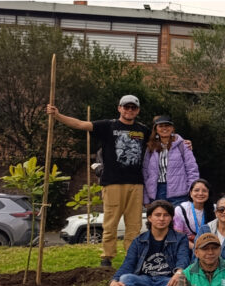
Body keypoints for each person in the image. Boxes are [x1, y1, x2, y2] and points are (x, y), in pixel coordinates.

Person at [46, 95, 149, 267]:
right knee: (111, 222)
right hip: (112, 182)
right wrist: (57, 115)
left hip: (136, 184)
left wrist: (185, 143)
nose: (129, 110)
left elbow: (162, 139)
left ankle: (132, 259)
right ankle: (107, 257)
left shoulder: (143, 130)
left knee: (135, 225)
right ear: (119, 108)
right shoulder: (108, 126)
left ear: (137, 110)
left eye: (133, 107)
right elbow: (80, 124)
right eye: (126, 107)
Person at [109, 200, 189, 286]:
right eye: (157, 215)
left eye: (166, 215)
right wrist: (114, 281)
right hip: (144, 282)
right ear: (150, 218)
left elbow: (183, 259)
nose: (161, 219)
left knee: (179, 282)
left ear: (171, 218)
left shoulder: (180, 238)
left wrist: (179, 273)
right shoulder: (139, 241)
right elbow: (128, 265)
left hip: (166, 284)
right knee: (125, 279)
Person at [142, 115, 199, 206]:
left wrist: (192, 191)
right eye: (161, 126)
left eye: (167, 125)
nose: (164, 128)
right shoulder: (151, 147)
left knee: (179, 216)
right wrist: (146, 198)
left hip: (179, 194)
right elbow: (145, 173)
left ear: (172, 128)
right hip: (156, 193)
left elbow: (192, 170)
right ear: (156, 129)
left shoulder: (183, 145)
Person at [172, 178, 212, 252]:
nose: (200, 193)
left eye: (204, 191)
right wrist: (196, 249)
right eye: (196, 190)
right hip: (186, 245)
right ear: (190, 193)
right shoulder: (180, 209)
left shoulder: (215, 209)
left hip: (210, 246)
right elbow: (179, 235)